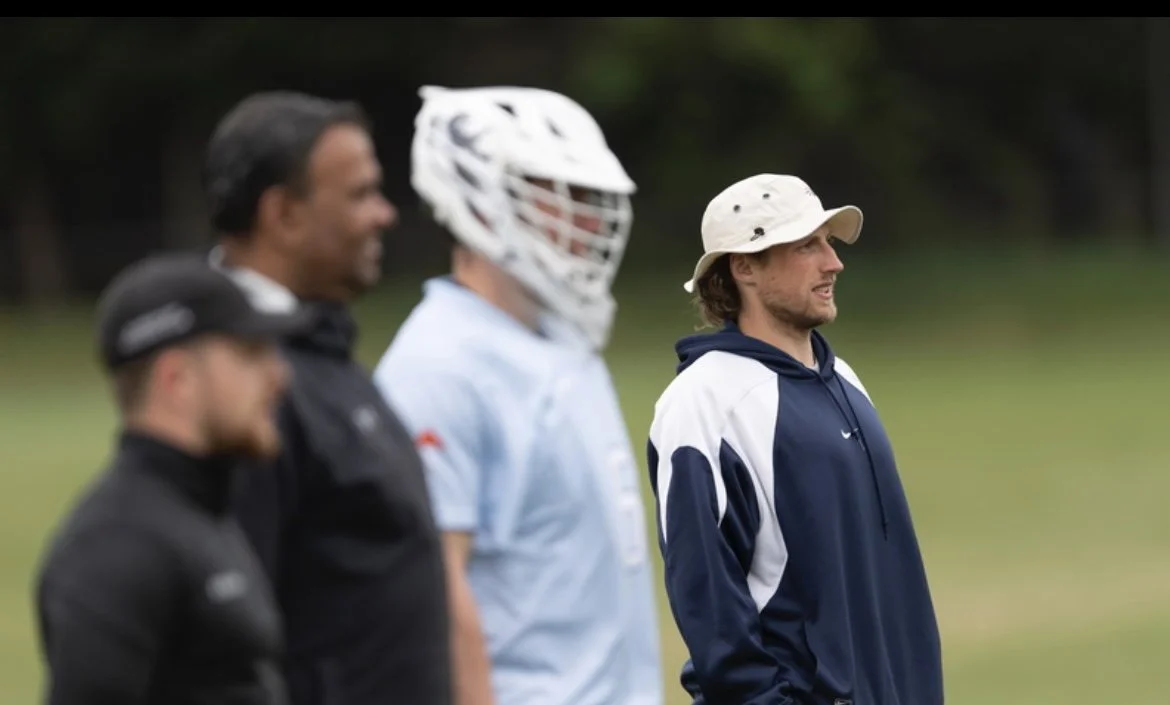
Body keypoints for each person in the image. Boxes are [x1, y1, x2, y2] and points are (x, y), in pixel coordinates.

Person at [372, 85, 663, 705]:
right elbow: (432, 597)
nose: (587, 221)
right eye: (561, 195)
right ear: (483, 197)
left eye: (592, 198)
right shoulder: (438, 367)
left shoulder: (563, 342)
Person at [646, 174, 944, 705]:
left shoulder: (843, 377)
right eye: (808, 245)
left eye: (827, 243)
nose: (834, 263)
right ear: (744, 267)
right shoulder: (704, 401)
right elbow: (709, 601)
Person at [203, 91, 451, 705]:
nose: (385, 214)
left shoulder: (319, 353)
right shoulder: (241, 383)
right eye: (361, 194)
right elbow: (229, 639)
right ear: (283, 214)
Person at [34, 252, 313, 705]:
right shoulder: (115, 547)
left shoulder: (203, 511)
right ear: (176, 378)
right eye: (251, 353)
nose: (279, 376)